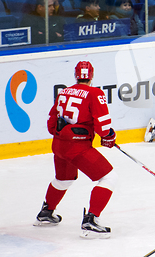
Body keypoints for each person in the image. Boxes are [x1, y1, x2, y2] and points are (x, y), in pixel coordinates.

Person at [34, 61, 118, 239]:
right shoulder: (95, 92)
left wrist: (65, 133)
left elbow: (51, 123)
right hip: (77, 147)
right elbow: (103, 126)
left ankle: (46, 213)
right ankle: (91, 220)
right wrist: (109, 136)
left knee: (64, 179)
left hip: (59, 145)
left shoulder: (63, 92)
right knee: (109, 177)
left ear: (76, 75)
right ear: (91, 76)